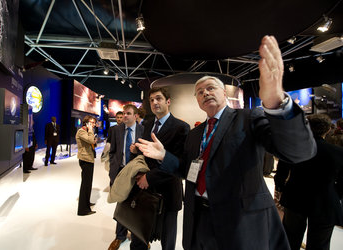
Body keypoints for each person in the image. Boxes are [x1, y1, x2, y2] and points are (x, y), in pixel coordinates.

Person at [135, 35, 316, 250]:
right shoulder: (195, 134)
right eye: (200, 92)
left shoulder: (248, 118)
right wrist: (165, 156)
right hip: (199, 220)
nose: (205, 93)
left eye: (211, 88)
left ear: (224, 93)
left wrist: (277, 101)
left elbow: (298, 151)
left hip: (240, 222)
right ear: (198, 101)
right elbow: (187, 170)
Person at [132, 87, 190, 250]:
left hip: (168, 192)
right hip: (145, 191)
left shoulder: (181, 127)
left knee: (167, 240)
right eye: (151, 100)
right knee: (139, 235)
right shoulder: (148, 124)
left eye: (158, 98)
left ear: (168, 102)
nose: (154, 102)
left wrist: (148, 178)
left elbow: (179, 163)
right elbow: (145, 154)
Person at [274, 114, 343, 250]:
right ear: (328, 130)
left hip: (295, 198)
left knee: (291, 240)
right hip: (326, 201)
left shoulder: (293, 148)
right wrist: (336, 194)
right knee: (320, 244)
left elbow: (281, 172)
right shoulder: (338, 153)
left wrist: (280, 188)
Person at [108, 104, 144, 250]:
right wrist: (113, 169)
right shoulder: (116, 130)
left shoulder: (143, 130)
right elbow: (112, 151)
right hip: (121, 172)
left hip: (137, 174)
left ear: (136, 116)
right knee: (121, 205)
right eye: (124, 113)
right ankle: (120, 236)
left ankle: (139, 237)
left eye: (128, 113)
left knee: (138, 207)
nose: (125, 116)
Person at [75, 115, 98, 216]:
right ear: (86, 122)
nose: (93, 124)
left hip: (89, 159)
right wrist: (90, 130)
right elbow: (91, 140)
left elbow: (92, 142)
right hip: (85, 159)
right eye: (91, 122)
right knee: (85, 184)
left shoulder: (87, 131)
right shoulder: (81, 131)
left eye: (93, 123)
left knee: (88, 184)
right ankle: (83, 210)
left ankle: (86, 203)